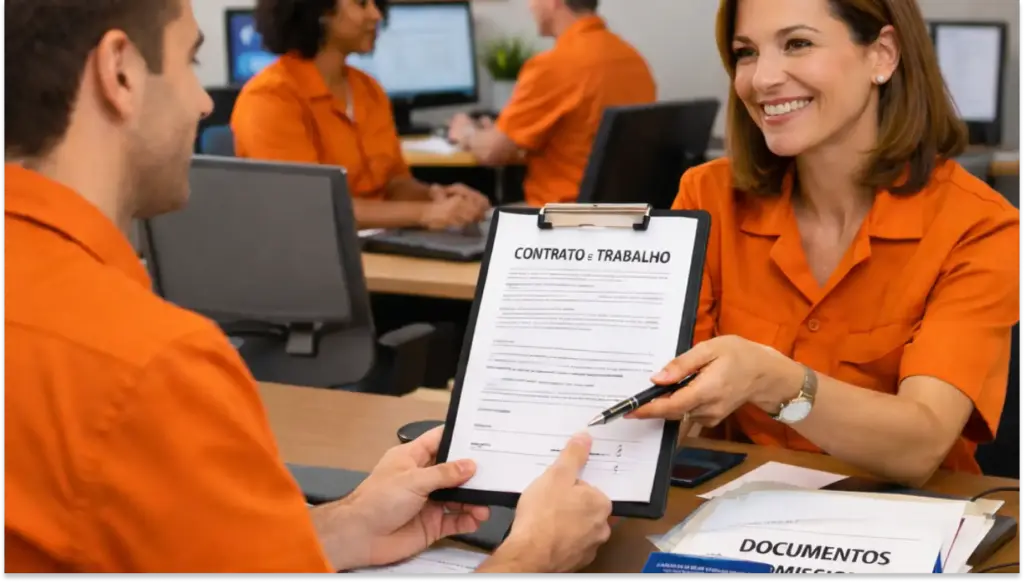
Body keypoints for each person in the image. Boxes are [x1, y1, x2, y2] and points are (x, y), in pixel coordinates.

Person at [5, 0, 613, 573]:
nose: (204, 104)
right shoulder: (152, 367)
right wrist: (529, 556)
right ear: (121, 73)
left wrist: (343, 524)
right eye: (191, 60)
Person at [630, 0, 1019, 488]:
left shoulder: (978, 225)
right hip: (735, 514)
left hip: (907, 526)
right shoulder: (707, 196)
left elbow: (922, 443)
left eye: (798, 44)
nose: (762, 79)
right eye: (746, 53)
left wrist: (773, 380)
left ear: (882, 55)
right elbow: (678, 404)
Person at [231, 0, 490, 231]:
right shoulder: (270, 98)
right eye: (361, 3)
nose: (376, 15)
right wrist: (425, 213)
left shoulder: (369, 90)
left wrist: (438, 197)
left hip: (379, 244)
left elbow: (393, 184)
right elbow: (314, 208)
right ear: (320, 11)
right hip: (311, 254)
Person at [447, 0, 656, 206]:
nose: (530, 6)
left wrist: (466, 132)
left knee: (464, 214)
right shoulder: (634, 60)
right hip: (622, 218)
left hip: (562, 218)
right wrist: (504, 131)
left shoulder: (553, 66)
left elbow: (492, 152)